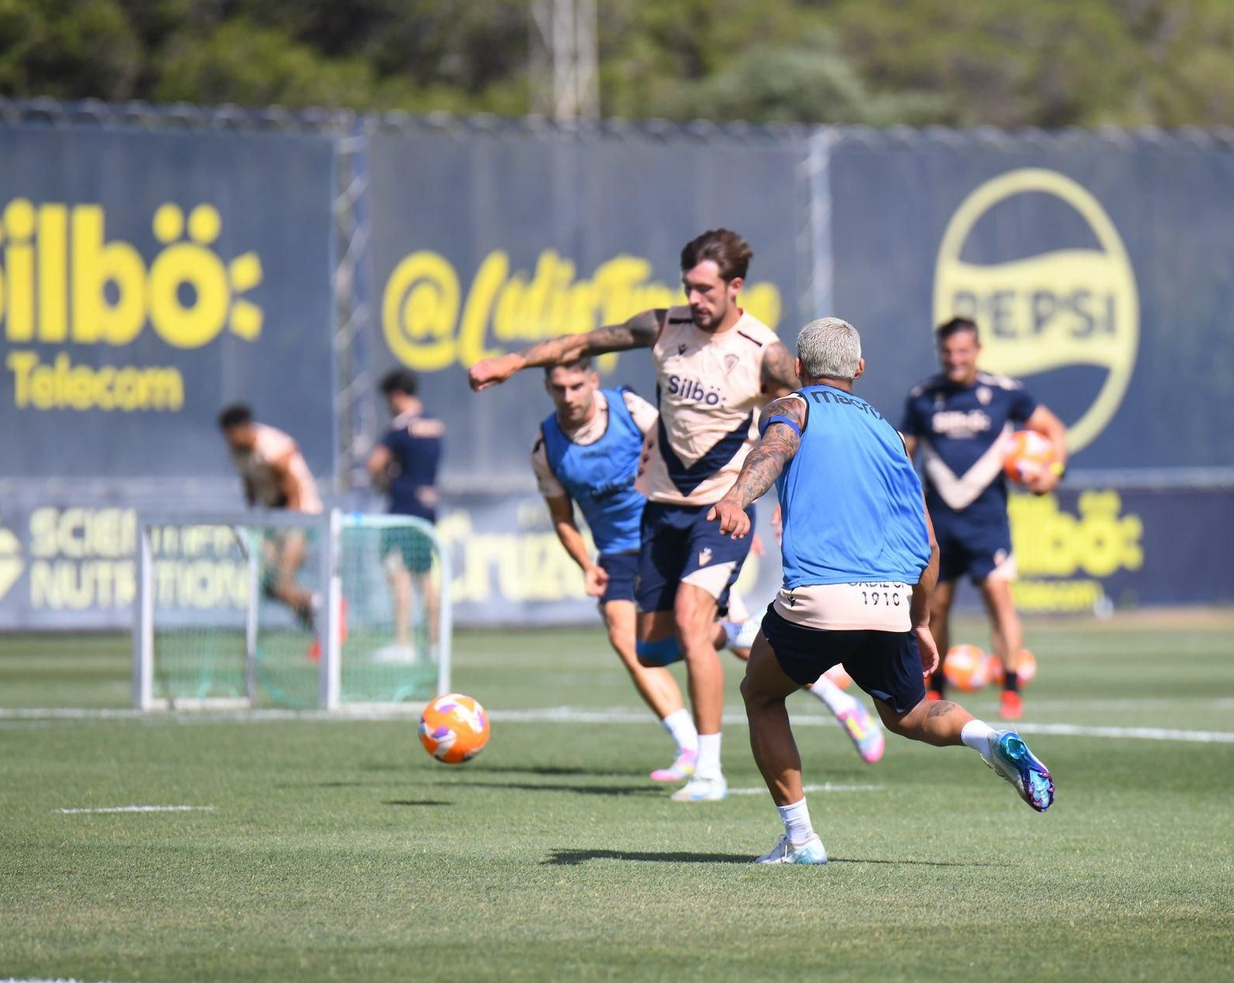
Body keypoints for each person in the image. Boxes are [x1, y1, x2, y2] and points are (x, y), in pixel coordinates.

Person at [709, 317, 1054, 864]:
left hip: (821, 598)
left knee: (761, 694)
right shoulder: (891, 434)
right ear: (860, 370)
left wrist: (736, 497)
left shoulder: (793, 406)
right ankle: (990, 739)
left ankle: (801, 841)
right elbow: (930, 544)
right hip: (890, 600)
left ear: (798, 370)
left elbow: (772, 450)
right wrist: (919, 620)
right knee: (908, 714)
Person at [470, 229, 798, 801]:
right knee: (650, 647)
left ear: (735, 286)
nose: (694, 299)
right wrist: (514, 361)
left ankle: (709, 771)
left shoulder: (763, 351)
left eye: (705, 289)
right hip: (661, 508)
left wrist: (787, 498)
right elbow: (583, 340)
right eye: (688, 287)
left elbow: (802, 417)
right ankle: (739, 629)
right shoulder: (662, 326)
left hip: (721, 507)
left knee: (691, 622)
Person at [531, 357, 885, 783]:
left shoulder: (629, 410)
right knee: (639, 648)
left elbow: (686, 453)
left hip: (675, 531)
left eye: (575, 385)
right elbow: (562, 517)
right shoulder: (547, 447)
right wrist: (585, 563)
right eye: (558, 389)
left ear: (592, 380)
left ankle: (833, 699)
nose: (568, 397)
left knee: (710, 635)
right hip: (617, 553)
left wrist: (728, 512)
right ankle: (688, 742)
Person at [900, 318, 1068, 719]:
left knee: (998, 597)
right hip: (938, 520)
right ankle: (934, 688)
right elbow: (904, 450)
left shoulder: (1004, 393)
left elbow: (1053, 428)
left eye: (963, 351)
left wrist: (1053, 472)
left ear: (977, 350)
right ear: (940, 352)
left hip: (987, 518)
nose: (955, 359)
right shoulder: (923, 397)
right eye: (948, 352)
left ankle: (1010, 688)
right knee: (936, 606)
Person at [217, 403, 322, 631]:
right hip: (273, 516)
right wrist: (256, 516)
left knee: (282, 582)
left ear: (241, 430)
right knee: (269, 586)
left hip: (298, 515)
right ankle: (313, 609)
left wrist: (289, 524)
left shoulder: (271, 446)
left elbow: (292, 486)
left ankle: (323, 608)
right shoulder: (238, 452)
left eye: (230, 434)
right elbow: (250, 484)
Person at [366, 369, 445, 665]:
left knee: (398, 575)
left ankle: (404, 644)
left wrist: (382, 482)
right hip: (428, 506)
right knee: (426, 577)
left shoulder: (399, 429)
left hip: (402, 508)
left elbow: (374, 465)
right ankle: (435, 644)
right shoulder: (434, 425)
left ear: (395, 395)